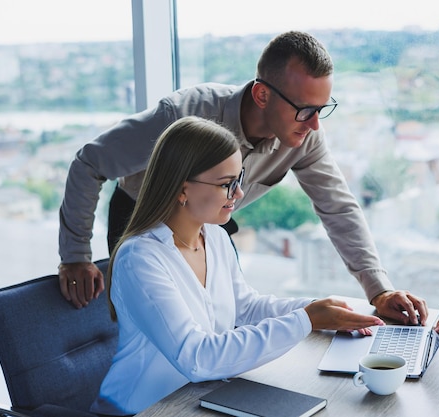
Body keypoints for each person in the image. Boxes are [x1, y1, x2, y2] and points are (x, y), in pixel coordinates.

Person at [58, 30, 428, 326]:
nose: (315, 124)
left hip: (211, 223)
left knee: (230, 315)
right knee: (162, 330)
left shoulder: (306, 136)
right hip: (140, 217)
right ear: (262, 94)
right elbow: (90, 163)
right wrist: (75, 255)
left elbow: (339, 208)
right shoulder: (183, 113)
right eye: (304, 110)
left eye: (322, 109)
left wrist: (378, 291)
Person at [89, 116, 385, 415]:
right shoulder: (140, 259)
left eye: (239, 178)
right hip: (142, 409)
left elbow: (245, 308)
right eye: (227, 184)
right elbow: (197, 357)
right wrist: (304, 320)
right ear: (182, 189)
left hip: (201, 399)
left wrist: (319, 311)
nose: (240, 194)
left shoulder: (214, 237)